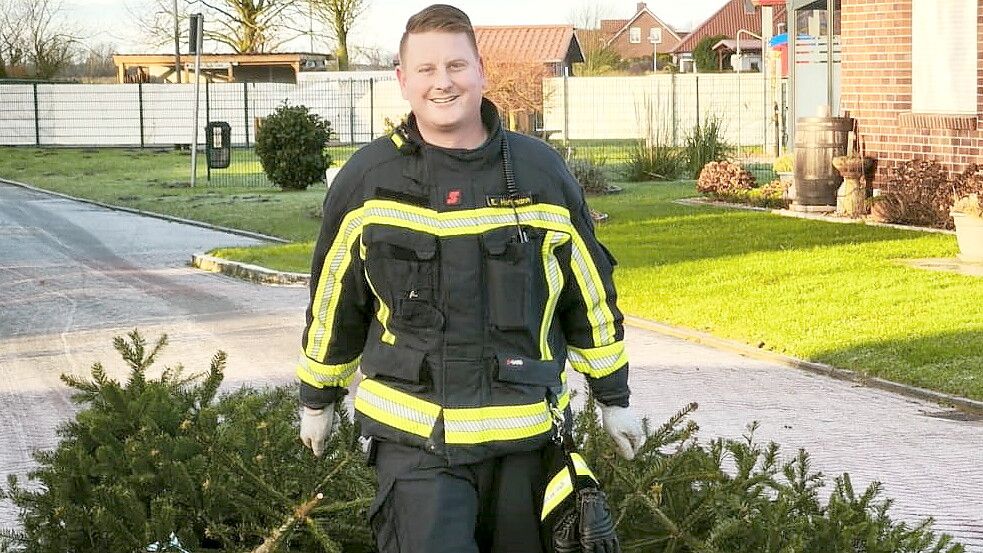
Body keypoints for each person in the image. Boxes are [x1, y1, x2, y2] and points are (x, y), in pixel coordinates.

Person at [297, 5, 645, 552]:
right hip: (415, 446)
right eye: (427, 69)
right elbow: (335, 299)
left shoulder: (540, 172)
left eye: (456, 66)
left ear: (481, 72)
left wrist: (613, 397)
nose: (443, 82)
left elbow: (589, 294)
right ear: (403, 80)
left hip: (524, 441)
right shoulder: (368, 178)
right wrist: (318, 399)